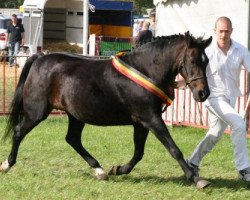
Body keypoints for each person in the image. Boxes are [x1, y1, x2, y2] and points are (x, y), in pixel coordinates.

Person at [186, 16, 250, 181]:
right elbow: (193, 70)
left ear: (231, 31)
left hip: (231, 97)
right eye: (220, 31)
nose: (223, 34)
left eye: (226, 31)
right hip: (212, 96)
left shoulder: (241, 50)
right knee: (239, 124)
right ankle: (244, 169)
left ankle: (192, 163)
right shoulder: (206, 51)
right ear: (215, 31)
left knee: (215, 133)